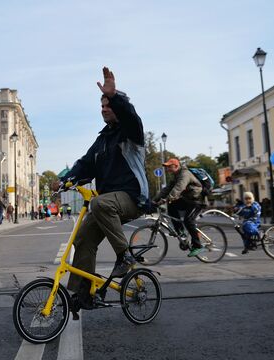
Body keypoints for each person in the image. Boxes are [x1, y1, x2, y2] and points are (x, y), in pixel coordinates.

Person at [54, 66, 148, 310]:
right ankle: (85, 293)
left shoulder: (131, 133)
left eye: (108, 105)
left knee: (99, 203)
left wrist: (114, 95)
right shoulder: (102, 139)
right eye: (102, 106)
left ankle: (125, 257)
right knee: (83, 238)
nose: (104, 109)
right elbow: (85, 164)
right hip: (108, 202)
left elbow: (130, 117)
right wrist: (67, 180)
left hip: (132, 197)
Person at [152, 158, 205, 257]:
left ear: (176, 166)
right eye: (166, 167)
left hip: (197, 200)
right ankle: (181, 232)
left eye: (169, 167)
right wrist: (154, 200)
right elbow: (167, 189)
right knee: (171, 205)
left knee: (188, 220)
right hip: (188, 199)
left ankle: (198, 246)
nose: (167, 169)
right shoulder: (176, 175)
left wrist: (167, 199)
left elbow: (179, 187)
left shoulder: (185, 174)